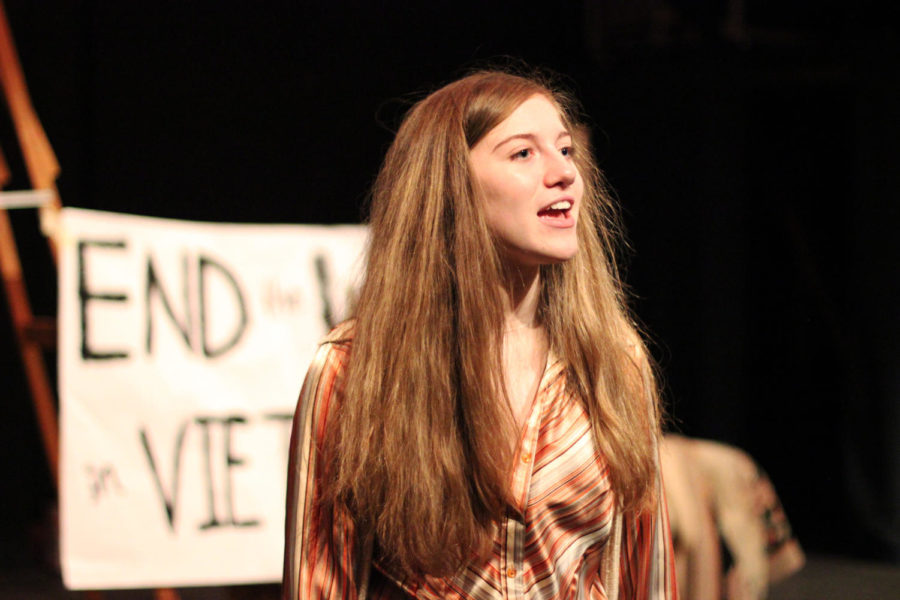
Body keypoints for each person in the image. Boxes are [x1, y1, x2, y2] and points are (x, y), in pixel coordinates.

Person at [283, 69, 677, 600]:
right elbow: (320, 585)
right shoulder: (353, 370)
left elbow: (644, 577)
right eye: (523, 154)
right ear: (452, 184)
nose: (563, 173)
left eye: (566, 151)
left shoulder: (613, 360)